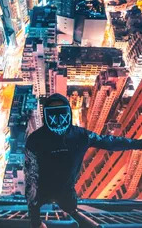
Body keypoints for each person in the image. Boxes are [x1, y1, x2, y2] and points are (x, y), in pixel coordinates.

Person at [24, 93, 142, 228]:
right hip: (45, 191)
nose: (57, 118)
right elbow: (30, 177)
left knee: (71, 211)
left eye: (61, 112)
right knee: (72, 212)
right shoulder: (40, 140)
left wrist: (138, 144)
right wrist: (35, 220)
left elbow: (111, 142)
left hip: (64, 192)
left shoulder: (76, 136)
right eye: (53, 113)